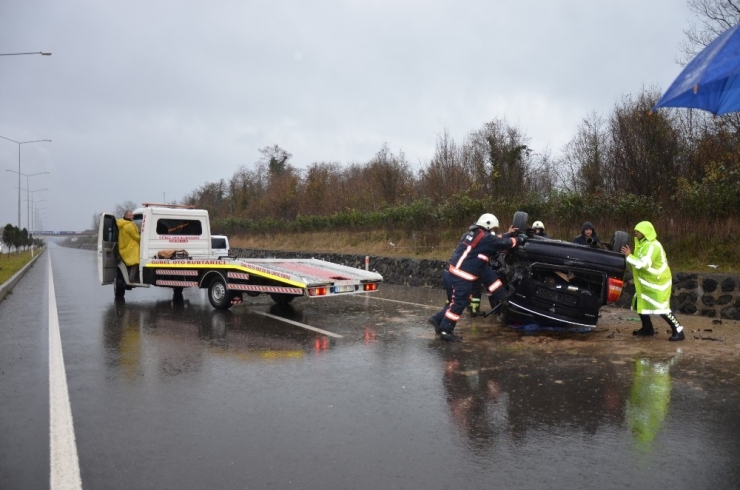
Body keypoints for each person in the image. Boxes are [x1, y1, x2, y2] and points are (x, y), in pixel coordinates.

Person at [428, 213, 522, 342]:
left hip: (453, 273)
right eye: (492, 228)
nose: (492, 231)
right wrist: (519, 240)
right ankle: (446, 330)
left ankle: (437, 320)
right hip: (461, 276)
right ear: (487, 225)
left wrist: (508, 233)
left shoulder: (473, 234)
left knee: (457, 302)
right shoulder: (485, 237)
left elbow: (496, 239)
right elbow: (503, 243)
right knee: (459, 303)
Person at [620, 221, 685, 341]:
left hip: (657, 282)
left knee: (662, 308)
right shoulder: (643, 244)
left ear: (645, 232)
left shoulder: (652, 246)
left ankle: (678, 330)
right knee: (640, 303)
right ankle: (647, 328)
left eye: (638, 231)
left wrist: (629, 256)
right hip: (647, 282)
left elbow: (643, 264)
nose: (636, 233)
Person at [117, 210, 140, 283]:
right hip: (131, 248)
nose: (133, 216)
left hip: (126, 247)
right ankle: (131, 278)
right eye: (131, 215)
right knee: (135, 262)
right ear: (126, 216)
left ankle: (128, 277)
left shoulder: (122, 224)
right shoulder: (129, 225)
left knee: (130, 263)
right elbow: (136, 237)